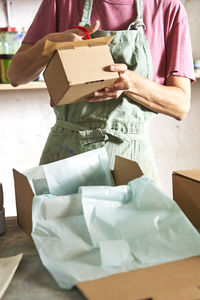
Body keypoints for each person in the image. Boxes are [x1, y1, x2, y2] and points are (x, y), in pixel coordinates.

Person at [7, 0, 195, 185]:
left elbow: (180, 105)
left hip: (130, 157)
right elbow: (16, 76)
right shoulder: (61, 3)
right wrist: (48, 46)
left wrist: (130, 82)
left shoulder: (167, 7)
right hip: (66, 157)